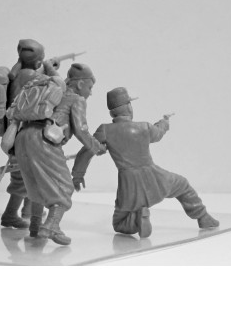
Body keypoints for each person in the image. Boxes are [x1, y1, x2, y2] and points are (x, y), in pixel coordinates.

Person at [72, 87, 219, 238]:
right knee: (183, 185)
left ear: (111, 113)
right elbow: (158, 133)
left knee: (119, 224)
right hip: (154, 177)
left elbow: (86, 151)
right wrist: (164, 121)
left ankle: (137, 218)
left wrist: (77, 175)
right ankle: (203, 217)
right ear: (129, 107)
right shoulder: (144, 127)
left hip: (128, 184)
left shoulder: (105, 130)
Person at [13, 63, 106, 245]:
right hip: (44, 140)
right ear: (80, 84)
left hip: (23, 138)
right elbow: (81, 130)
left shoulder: (52, 92)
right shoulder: (76, 99)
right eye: (90, 87)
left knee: (36, 184)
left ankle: (35, 226)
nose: (90, 92)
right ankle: (51, 226)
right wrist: (97, 147)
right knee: (64, 187)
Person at [0, 39, 59, 232]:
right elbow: (57, 85)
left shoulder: (19, 75)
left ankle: (28, 211)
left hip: (17, 131)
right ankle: (10, 214)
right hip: (23, 133)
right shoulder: (31, 76)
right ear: (38, 61)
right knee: (23, 177)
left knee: (30, 174)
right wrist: (50, 68)